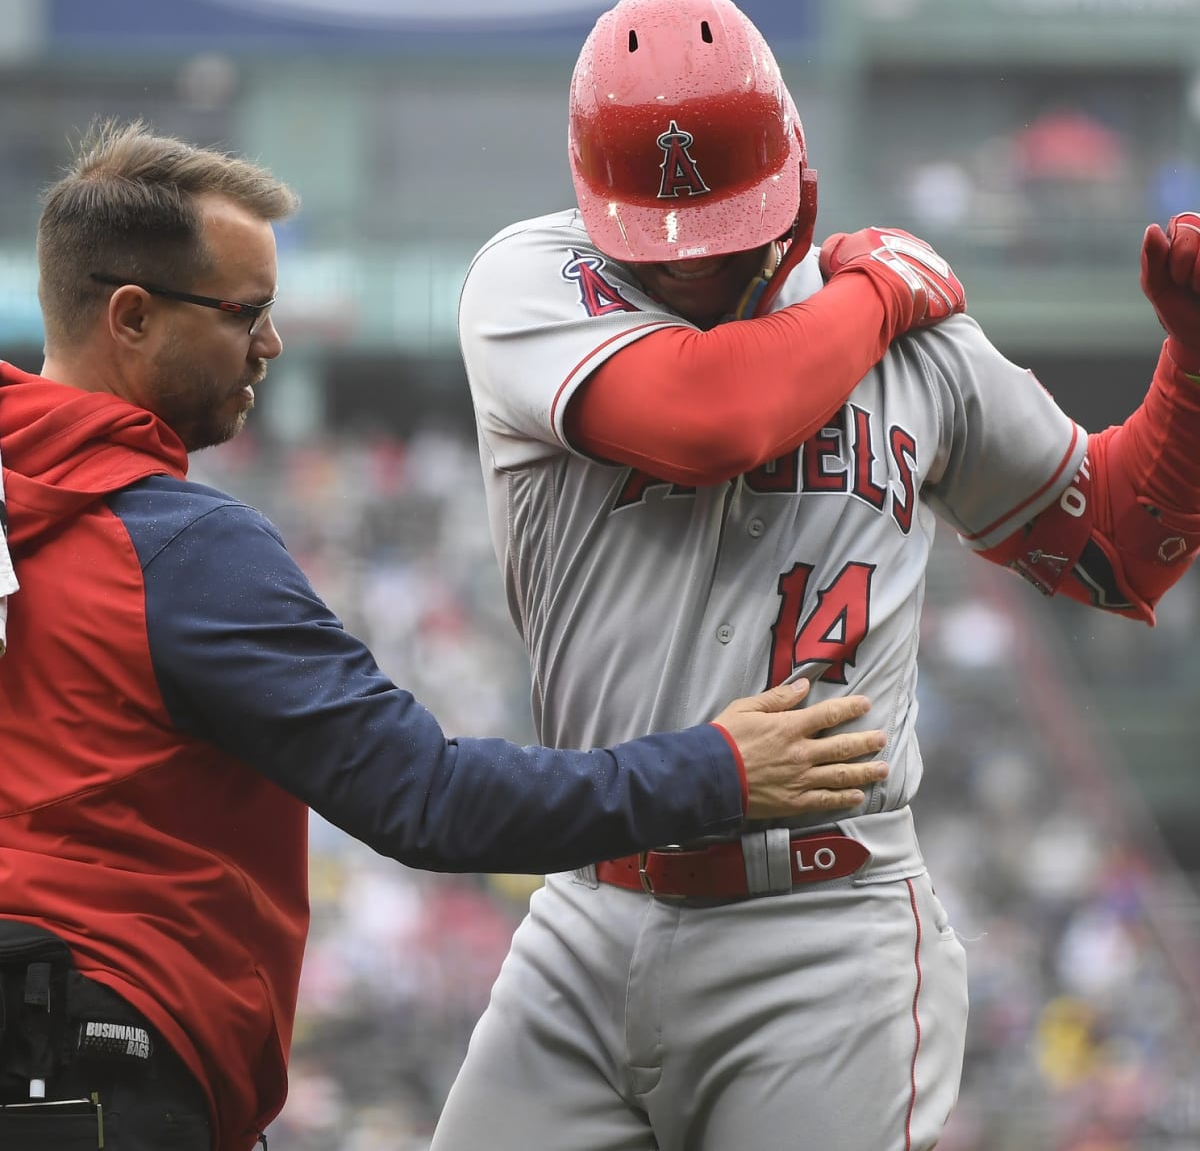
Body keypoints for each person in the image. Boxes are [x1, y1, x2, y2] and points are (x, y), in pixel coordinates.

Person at [0, 118, 895, 1151]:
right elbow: (429, 802)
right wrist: (719, 771)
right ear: (131, 318)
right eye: (247, 312)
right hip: (98, 1071)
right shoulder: (179, 552)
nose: (272, 344)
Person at [437, 0, 1200, 1151]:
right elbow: (717, 416)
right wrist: (882, 289)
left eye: (721, 231)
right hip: (587, 909)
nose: (690, 266)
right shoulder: (533, 278)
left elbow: (1118, 547)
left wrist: (1192, 374)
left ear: (796, 170)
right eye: (658, 234)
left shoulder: (926, 353)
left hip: (824, 931)